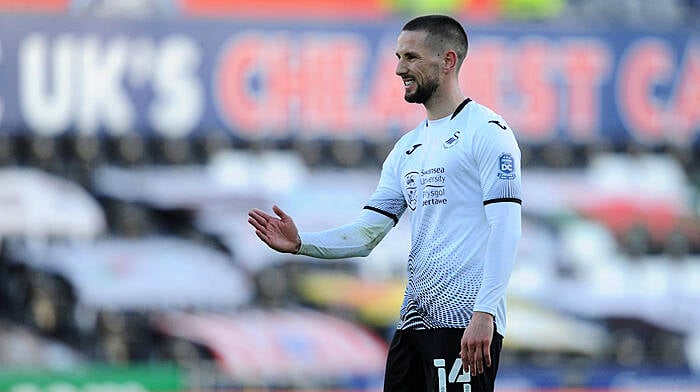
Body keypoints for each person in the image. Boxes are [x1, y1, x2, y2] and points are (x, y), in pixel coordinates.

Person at [248, 14, 522, 392]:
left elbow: (506, 226)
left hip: (465, 323)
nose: (398, 69)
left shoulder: (488, 133)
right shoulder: (405, 150)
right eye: (398, 57)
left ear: (448, 60)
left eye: (410, 57)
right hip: (413, 325)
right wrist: (301, 243)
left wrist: (485, 312)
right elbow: (367, 235)